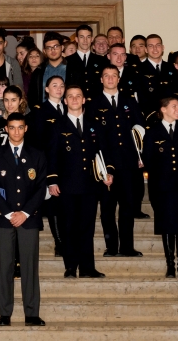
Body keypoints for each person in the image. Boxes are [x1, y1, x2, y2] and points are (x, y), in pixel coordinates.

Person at [0, 112, 47, 327]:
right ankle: (5, 313)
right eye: (12, 128)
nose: (16, 132)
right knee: (4, 267)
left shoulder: (37, 155)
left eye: (20, 127)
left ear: (26, 128)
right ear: (6, 129)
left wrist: (25, 213)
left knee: (30, 267)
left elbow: (41, 188)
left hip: (29, 219)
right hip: (4, 219)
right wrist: (10, 213)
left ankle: (32, 313)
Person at [46, 86, 113, 279]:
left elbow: (104, 151)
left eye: (78, 96)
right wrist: (52, 180)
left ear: (84, 100)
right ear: (65, 101)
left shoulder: (95, 125)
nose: (74, 99)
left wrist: (108, 172)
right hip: (66, 186)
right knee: (69, 227)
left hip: (90, 185)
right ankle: (70, 266)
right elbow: (51, 156)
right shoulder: (57, 126)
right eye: (70, 97)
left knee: (87, 227)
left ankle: (87, 268)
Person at [89, 66, 145, 257]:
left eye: (114, 75)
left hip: (129, 163)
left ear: (119, 79)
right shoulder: (94, 103)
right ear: (101, 79)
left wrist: (140, 156)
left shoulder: (130, 101)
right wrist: (100, 166)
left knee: (128, 207)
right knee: (107, 208)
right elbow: (93, 136)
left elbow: (140, 130)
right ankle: (111, 246)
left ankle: (127, 247)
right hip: (107, 164)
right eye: (106, 75)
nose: (110, 78)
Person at [143, 97, 178, 278]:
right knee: (167, 225)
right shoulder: (152, 132)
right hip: (162, 187)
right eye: (174, 106)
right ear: (163, 109)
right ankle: (170, 264)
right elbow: (148, 159)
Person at [28, 76, 66, 257]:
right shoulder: (40, 111)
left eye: (61, 85)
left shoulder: (70, 108)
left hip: (69, 166)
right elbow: (36, 142)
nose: (59, 89)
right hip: (48, 166)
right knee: (55, 206)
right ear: (47, 89)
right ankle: (60, 243)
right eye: (54, 85)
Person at [27, 32, 82, 107]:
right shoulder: (38, 71)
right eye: (49, 48)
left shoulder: (74, 69)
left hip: (67, 112)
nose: (53, 50)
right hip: (44, 113)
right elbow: (32, 96)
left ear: (62, 48)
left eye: (56, 46)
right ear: (44, 51)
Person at [137, 34, 174, 119]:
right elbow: (140, 98)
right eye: (151, 46)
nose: (155, 49)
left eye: (158, 45)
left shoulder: (171, 68)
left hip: (171, 116)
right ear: (146, 49)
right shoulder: (139, 69)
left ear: (163, 47)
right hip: (149, 116)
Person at [66, 25, 107, 101]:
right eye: (82, 37)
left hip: (97, 104)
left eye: (88, 37)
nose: (85, 41)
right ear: (76, 39)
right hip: (75, 104)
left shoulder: (101, 61)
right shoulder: (67, 61)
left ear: (91, 39)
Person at [0, 85, 27, 153]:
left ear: (20, 101)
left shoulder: (27, 122)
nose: (9, 104)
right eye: (6, 100)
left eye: (13, 100)